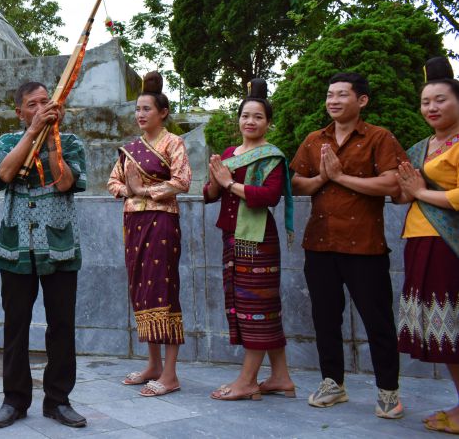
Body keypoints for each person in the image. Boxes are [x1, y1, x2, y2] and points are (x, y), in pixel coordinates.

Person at [290, 72, 405, 418]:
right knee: (325, 318)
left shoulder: (378, 138)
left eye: (342, 94)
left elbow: (391, 182)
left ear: (362, 101)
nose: (333, 101)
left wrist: (340, 177)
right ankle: (332, 383)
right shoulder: (314, 140)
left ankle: (388, 390)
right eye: (330, 95)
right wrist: (322, 178)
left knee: (378, 320)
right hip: (320, 243)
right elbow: (295, 182)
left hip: (365, 246)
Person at [0, 80, 88, 429]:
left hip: (58, 247)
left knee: (61, 326)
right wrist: (32, 133)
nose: (44, 108)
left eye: (48, 102)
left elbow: (64, 182)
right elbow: (4, 174)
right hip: (15, 249)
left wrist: (50, 140)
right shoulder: (6, 142)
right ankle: (14, 400)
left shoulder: (70, 142)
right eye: (34, 104)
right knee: (16, 326)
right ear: (20, 111)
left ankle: (58, 400)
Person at [203, 79, 295, 401]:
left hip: (256, 241)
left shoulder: (271, 156)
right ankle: (281, 377)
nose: (250, 122)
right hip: (233, 238)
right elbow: (209, 194)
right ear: (238, 119)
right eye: (245, 116)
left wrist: (228, 183)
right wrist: (216, 181)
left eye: (258, 117)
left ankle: (247, 381)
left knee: (255, 307)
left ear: (268, 123)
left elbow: (269, 195)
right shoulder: (229, 154)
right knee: (255, 306)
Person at [106, 72, 191, 397]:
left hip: (162, 223)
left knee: (163, 291)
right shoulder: (129, 149)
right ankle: (153, 365)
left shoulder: (174, 143)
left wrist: (145, 190)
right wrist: (132, 191)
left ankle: (170, 374)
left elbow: (182, 181)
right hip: (134, 225)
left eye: (147, 109)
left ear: (163, 112)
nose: (141, 115)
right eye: (138, 109)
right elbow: (113, 182)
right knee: (142, 290)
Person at [393, 56, 459, 434]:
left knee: (451, 326)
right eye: (425, 102)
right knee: (442, 330)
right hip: (419, 239)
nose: (431, 108)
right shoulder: (425, 147)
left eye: (441, 100)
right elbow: (411, 194)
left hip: (446, 244)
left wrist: (419, 191)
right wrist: (407, 192)